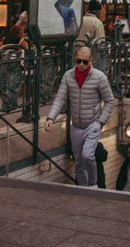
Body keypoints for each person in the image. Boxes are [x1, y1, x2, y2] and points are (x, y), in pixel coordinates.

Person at [45, 45, 114, 187]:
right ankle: (83, 188)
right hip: (76, 126)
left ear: (91, 60)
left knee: (87, 155)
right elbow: (60, 98)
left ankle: (93, 184)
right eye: (79, 61)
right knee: (78, 162)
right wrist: (51, 117)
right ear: (75, 59)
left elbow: (109, 100)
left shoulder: (99, 77)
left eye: (85, 62)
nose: (81, 65)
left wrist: (101, 122)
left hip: (93, 124)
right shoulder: (68, 75)